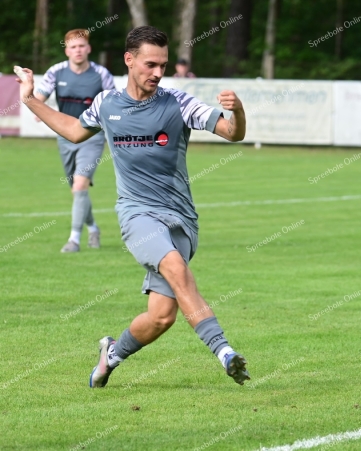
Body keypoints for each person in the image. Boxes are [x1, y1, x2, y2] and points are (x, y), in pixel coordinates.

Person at [15, 26, 250, 387]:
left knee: (161, 317)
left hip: (182, 219)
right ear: (129, 60)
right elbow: (75, 130)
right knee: (173, 265)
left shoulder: (178, 102)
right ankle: (224, 352)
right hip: (136, 213)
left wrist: (239, 112)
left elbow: (232, 133)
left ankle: (110, 354)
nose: (158, 72)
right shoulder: (107, 103)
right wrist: (31, 100)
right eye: (150, 64)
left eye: (163, 65)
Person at [34, 29, 115, 252]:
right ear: (67, 50)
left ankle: (74, 240)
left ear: (88, 48)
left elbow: (114, 103)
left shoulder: (101, 74)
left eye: (81, 46)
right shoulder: (56, 72)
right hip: (65, 137)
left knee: (80, 184)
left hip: (92, 136)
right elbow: (38, 97)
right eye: (73, 47)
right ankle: (93, 228)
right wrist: (36, 106)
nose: (78, 50)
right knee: (77, 190)